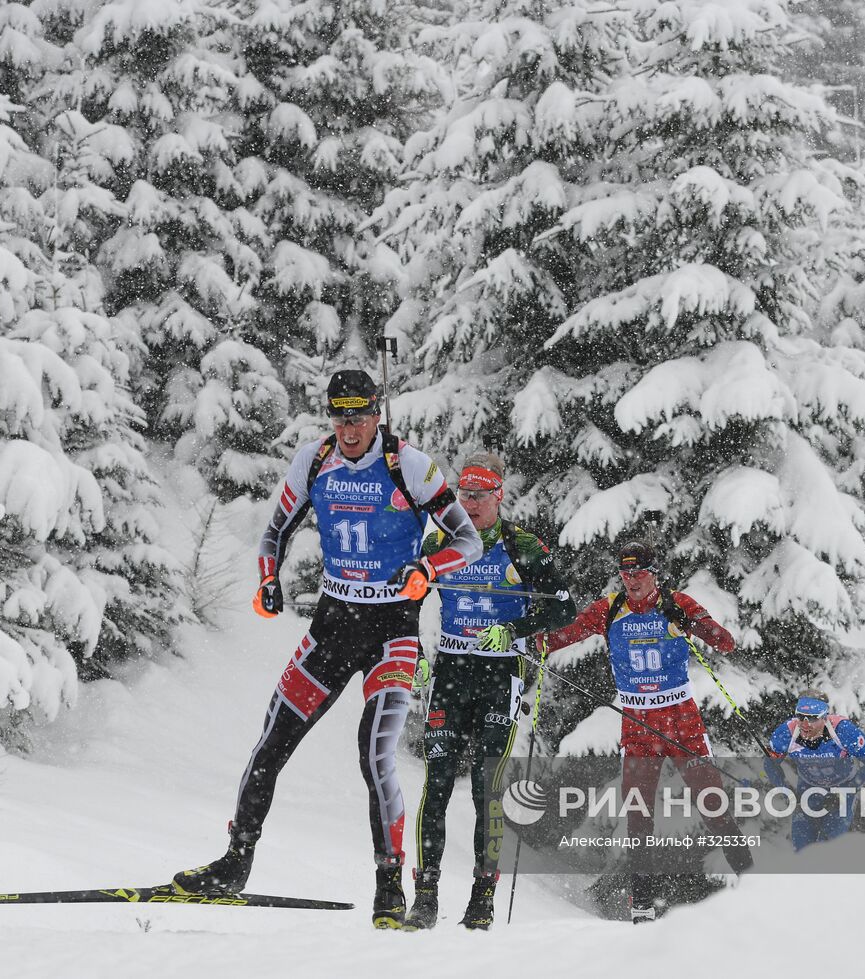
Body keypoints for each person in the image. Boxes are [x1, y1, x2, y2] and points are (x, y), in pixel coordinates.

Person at [170, 369, 483, 929]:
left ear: (376, 413)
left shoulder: (406, 463)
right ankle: (235, 863)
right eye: (340, 416)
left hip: (393, 628)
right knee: (272, 741)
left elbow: (469, 538)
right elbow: (275, 532)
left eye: (359, 416)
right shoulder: (315, 460)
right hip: (334, 625)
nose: (350, 428)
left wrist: (427, 571)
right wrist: (268, 579)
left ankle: (390, 888)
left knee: (374, 754)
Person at [405, 451, 577, 932]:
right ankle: (425, 894)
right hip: (453, 672)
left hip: (501, 673)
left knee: (487, 789)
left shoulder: (521, 544)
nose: (470, 504)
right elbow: (407, 600)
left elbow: (564, 607)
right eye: (464, 494)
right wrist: (415, 654)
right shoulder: (442, 540)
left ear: (498, 497)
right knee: (435, 785)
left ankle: (482, 897)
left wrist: (516, 628)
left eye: (479, 496)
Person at [542, 541, 753, 924]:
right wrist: (522, 639)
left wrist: (689, 622)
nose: (631, 581)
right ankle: (642, 905)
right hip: (638, 722)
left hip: (682, 718)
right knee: (639, 815)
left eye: (638, 573)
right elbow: (560, 637)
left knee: (712, 805)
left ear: (654, 573)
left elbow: (725, 641)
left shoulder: (677, 602)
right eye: (625, 574)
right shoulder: (609, 610)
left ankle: (756, 887)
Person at [765, 690, 865, 852]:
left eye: (812, 718)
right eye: (800, 716)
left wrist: (848, 789)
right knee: (802, 848)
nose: (805, 724)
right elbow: (770, 765)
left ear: (825, 717)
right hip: (808, 787)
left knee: (828, 847)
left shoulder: (844, 731)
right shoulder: (786, 733)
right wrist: (786, 791)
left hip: (842, 786)